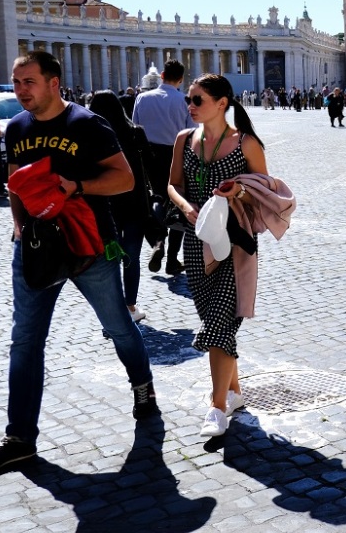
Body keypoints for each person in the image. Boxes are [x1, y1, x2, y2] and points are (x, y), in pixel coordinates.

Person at [0, 51, 158, 474]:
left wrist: (77, 186)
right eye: (17, 83)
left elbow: (124, 179)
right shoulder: (17, 127)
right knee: (25, 341)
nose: (20, 91)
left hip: (90, 246)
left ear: (53, 82)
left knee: (117, 326)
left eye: (28, 82)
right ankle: (19, 437)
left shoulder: (88, 124)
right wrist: (19, 227)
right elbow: (15, 182)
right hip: (37, 247)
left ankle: (142, 386)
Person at [167, 74, 268, 436]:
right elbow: (172, 184)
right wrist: (184, 206)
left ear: (222, 103)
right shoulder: (184, 140)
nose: (190, 106)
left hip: (234, 241)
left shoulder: (246, 143)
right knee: (216, 319)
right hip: (197, 240)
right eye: (189, 100)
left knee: (218, 323)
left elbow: (266, 191)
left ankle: (217, 406)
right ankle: (235, 392)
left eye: (197, 100)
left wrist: (238, 190)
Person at [89, 90, 154, 323]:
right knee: (131, 256)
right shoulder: (135, 133)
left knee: (108, 257)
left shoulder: (89, 135)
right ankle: (130, 305)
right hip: (134, 202)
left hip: (103, 203)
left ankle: (112, 309)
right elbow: (151, 167)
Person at [133, 60, 193, 276]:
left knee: (156, 198)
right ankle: (173, 260)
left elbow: (135, 130)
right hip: (176, 154)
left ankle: (158, 242)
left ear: (162, 74)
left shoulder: (142, 98)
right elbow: (191, 134)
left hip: (149, 157)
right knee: (178, 202)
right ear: (181, 79)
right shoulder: (184, 101)